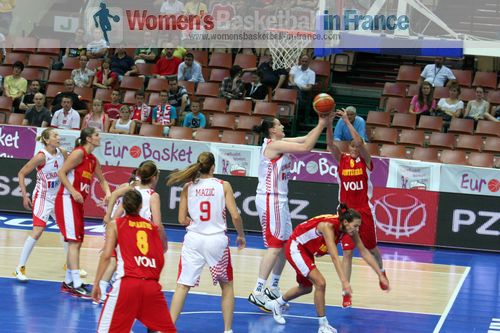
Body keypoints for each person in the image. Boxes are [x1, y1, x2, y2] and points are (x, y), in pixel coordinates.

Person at [264, 204, 390, 332]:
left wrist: (380, 274)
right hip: (296, 247)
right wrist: (344, 282)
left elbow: (364, 251)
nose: (357, 230)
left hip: (306, 251)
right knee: (321, 283)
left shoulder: (347, 228)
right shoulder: (328, 226)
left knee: (306, 288)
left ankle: (276, 304)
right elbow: (335, 256)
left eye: (358, 226)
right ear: (346, 222)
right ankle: (323, 326)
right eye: (356, 226)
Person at [248, 115, 328, 311]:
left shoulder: (279, 142)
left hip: (280, 198)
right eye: (279, 124)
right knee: (275, 247)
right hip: (270, 198)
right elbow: (306, 148)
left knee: (285, 244)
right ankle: (257, 291)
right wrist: (322, 123)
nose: (282, 126)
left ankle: (273, 287)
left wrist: (321, 124)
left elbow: (306, 138)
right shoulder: (273, 146)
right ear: (272, 130)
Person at [167, 152, 246, 333]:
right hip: (216, 240)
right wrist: (241, 235)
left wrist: (194, 222)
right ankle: (227, 330)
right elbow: (235, 215)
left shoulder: (188, 186)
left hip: (194, 239)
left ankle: (168, 328)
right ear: (213, 167)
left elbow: (181, 219)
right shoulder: (223, 185)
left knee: (183, 285)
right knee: (226, 286)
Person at [327, 109, 388, 308]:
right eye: (351, 146)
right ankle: (346, 292)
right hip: (345, 212)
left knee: (371, 249)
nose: (354, 148)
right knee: (347, 253)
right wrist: (328, 123)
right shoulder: (342, 159)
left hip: (363, 211)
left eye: (356, 146)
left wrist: (346, 122)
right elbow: (329, 144)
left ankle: (381, 271)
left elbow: (361, 142)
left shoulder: (366, 160)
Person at [92, 190, 176, 333]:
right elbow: (160, 257)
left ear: (123, 205)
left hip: (128, 284)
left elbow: (106, 256)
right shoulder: (152, 227)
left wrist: (97, 283)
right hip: (151, 285)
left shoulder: (116, 224)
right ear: (141, 206)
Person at [98, 161, 167, 305]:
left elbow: (118, 207)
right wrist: (162, 242)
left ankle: (112, 284)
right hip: (139, 232)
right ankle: (103, 288)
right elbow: (157, 224)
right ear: (154, 177)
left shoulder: (132, 188)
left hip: (126, 230)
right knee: (120, 263)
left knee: (123, 263)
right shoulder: (151, 195)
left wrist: (110, 222)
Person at [56, 127, 111, 298]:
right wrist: (73, 191)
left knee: (77, 242)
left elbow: (102, 180)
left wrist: (109, 194)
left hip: (77, 203)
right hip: (67, 198)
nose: (99, 137)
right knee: (74, 242)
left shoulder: (93, 159)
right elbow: (61, 173)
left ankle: (68, 282)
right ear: (88, 138)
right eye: (96, 135)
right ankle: (76, 283)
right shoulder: (78, 153)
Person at [14, 128, 67, 281]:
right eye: (55, 135)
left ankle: (70, 264)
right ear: (46, 140)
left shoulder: (62, 152)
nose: (58, 137)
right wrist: (25, 195)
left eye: (58, 135)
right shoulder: (41, 157)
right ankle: (20, 268)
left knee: (66, 231)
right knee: (37, 231)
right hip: (43, 197)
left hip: (58, 197)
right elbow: (22, 173)